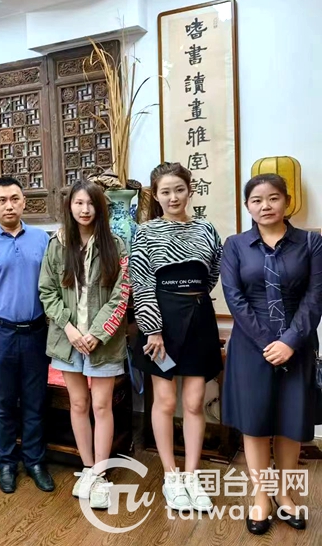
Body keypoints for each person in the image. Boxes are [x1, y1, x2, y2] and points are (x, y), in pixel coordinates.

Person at [221, 174, 321, 535]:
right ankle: (261, 496)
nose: (265, 206)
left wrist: (290, 341)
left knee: (291, 422)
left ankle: (285, 494)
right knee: (256, 423)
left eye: (273, 198)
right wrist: (268, 342)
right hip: (251, 345)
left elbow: (316, 295)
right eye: (257, 200)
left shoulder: (311, 242)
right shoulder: (235, 245)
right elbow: (234, 297)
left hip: (298, 343)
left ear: (287, 201)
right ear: (247, 206)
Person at [130, 162, 223, 513]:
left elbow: (211, 274)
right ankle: (171, 476)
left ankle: (192, 475)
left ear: (190, 190)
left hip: (198, 316)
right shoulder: (145, 232)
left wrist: (192, 299)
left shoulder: (206, 229)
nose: (173, 197)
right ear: (156, 195)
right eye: (165, 192)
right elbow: (141, 282)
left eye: (179, 190)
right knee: (166, 401)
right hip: (161, 320)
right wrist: (152, 328)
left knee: (195, 402)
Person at [39, 180, 130, 509]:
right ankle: (88, 468)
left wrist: (97, 332)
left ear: (100, 207)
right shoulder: (57, 244)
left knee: (101, 406)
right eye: (78, 203)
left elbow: (122, 294)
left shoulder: (116, 245)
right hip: (67, 340)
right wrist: (70, 328)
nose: (85, 209)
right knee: (78, 404)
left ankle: (100, 474)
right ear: (70, 207)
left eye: (91, 203)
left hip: (103, 341)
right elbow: (47, 291)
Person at [0, 176, 52, 494]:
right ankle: (6, 463)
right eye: (2, 200)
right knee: (1, 402)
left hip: (36, 332)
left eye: (15, 198)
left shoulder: (42, 239)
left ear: (24, 202)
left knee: (35, 401)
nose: (9, 205)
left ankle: (35, 461)